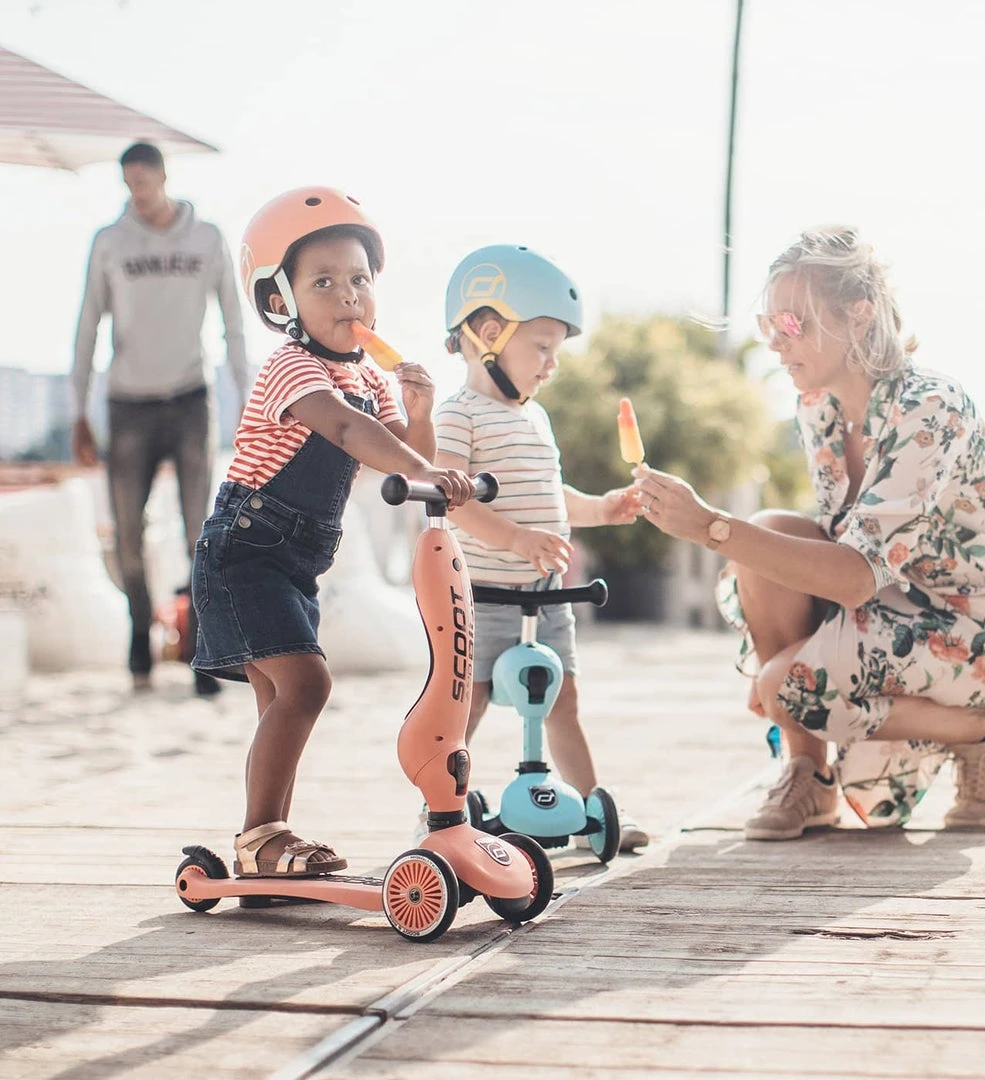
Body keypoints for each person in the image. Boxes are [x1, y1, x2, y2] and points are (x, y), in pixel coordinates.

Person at [634, 226, 985, 840]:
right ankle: (809, 776)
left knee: (782, 682)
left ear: (858, 318)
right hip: (898, 604)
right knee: (770, 534)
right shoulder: (818, 407)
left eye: (793, 323)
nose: (776, 342)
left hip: (981, 624)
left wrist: (708, 527)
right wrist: (728, 536)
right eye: (767, 324)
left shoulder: (931, 407)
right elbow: (838, 551)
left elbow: (855, 577)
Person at [191, 188, 473, 878]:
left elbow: (402, 456)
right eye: (324, 282)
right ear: (281, 301)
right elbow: (350, 433)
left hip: (293, 563)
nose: (349, 296)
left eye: (359, 280)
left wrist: (419, 414)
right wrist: (422, 463)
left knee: (279, 701)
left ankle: (266, 841)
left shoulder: (368, 378)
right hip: (243, 554)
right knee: (306, 686)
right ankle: (262, 838)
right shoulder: (294, 368)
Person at [433, 244, 649, 852]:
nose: (551, 364)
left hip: (547, 596)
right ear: (488, 333)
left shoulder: (537, 418)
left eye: (556, 350)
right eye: (542, 347)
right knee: (466, 707)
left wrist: (602, 509)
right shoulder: (460, 415)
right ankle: (441, 814)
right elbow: (452, 500)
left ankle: (593, 810)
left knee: (563, 701)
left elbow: (550, 494)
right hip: (485, 598)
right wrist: (516, 539)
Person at [71, 141, 249, 695]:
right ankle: (137, 635)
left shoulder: (206, 237)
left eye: (144, 184)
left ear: (164, 177)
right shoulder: (110, 242)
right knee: (128, 535)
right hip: (127, 405)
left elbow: (233, 325)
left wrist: (246, 405)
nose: (137, 196)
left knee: (201, 531)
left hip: (191, 399)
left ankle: (201, 649)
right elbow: (86, 326)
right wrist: (79, 411)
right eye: (128, 185)